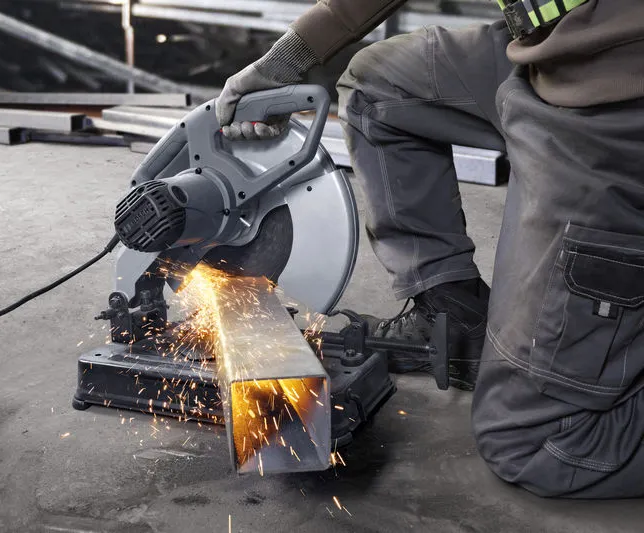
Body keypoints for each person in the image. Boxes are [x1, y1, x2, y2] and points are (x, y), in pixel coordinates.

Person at [216, 0, 644, 498]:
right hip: (557, 47)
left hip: (616, 96)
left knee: (542, 446)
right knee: (378, 86)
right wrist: (290, 59)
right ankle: (453, 316)